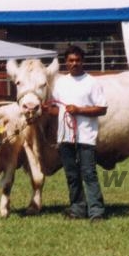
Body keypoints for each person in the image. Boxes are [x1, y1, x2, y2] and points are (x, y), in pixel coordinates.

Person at [45, 45, 108, 222]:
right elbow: (59, 110)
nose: (74, 63)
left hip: (86, 136)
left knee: (89, 174)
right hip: (65, 137)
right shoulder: (61, 83)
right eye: (71, 61)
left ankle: (96, 211)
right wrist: (46, 111)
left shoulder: (92, 82)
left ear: (83, 61)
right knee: (72, 175)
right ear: (66, 62)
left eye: (78, 60)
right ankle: (77, 208)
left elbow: (102, 109)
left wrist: (79, 110)